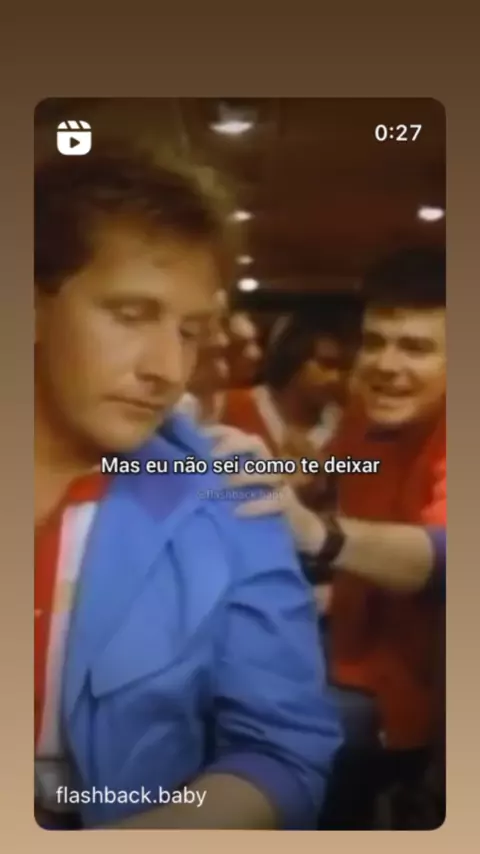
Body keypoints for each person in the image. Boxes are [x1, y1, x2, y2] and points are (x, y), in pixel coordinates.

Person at [34, 144, 343, 830]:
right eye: (132, 314)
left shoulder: (231, 496)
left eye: (191, 333)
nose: (168, 369)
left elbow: (282, 751)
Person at [210, 247, 446, 827]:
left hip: (409, 701)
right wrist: (279, 475)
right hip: (343, 652)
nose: (385, 364)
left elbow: (446, 553)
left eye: (416, 348)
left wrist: (319, 533)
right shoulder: (368, 413)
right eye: (375, 342)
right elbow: (339, 473)